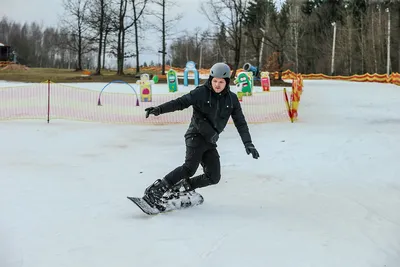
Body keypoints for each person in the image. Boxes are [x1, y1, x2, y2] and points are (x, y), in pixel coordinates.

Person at [142, 62, 260, 210]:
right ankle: (155, 191)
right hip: (195, 136)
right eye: (215, 81)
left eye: (221, 82)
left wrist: (248, 143)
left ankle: (182, 188)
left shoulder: (232, 99)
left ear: (227, 82)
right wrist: (159, 109)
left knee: (213, 177)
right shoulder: (201, 93)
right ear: (210, 79)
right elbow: (180, 102)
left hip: (210, 141)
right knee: (189, 168)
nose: (217, 84)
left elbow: (240, 122)